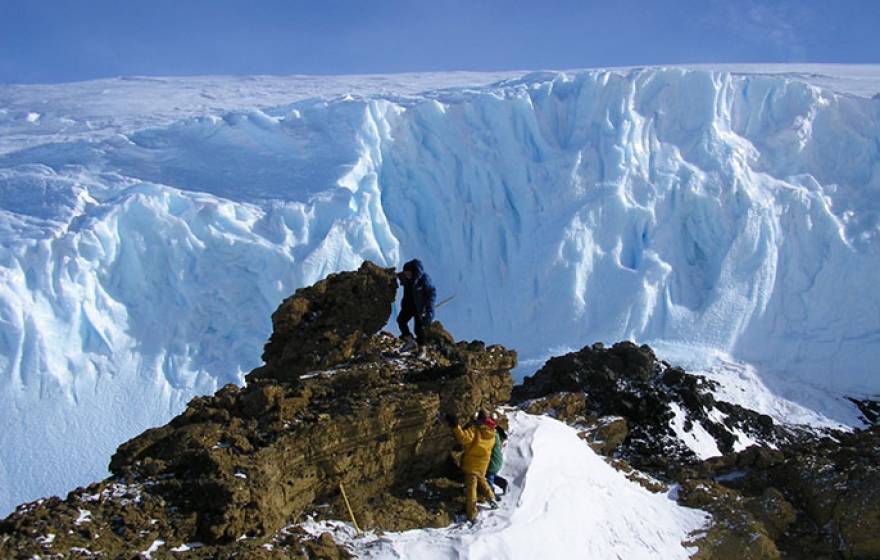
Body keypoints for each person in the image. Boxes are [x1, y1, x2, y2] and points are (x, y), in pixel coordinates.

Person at [445, 409, 498, 522]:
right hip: (483, 463)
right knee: (482, 480)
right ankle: (491, 498)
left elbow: (463, 438)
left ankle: (472, 513)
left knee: (471, 489)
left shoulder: (476, 431)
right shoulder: (492, 433)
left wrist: (455, 425)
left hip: (472, 463)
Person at [397, 259, 436, 352]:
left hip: (420, 308)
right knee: (401, 320)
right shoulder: (406, 277)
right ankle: (410, 342)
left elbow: (431, 294)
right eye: (405, 273)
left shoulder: (424, 279)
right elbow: (398, 276)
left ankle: (422, 349)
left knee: (419, 328)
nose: (407, 275)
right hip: (409, 306)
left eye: (408, 273)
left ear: (413, 272)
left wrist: (429, 310)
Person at [486, 422, 509, 495]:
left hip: (494, 461)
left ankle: (490, 492)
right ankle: (503, 483)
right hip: (497, 460)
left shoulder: (493, 436)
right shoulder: (497, 437)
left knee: (489, 474)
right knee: (489, 474)